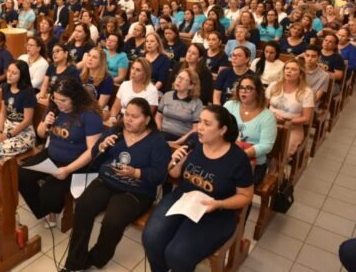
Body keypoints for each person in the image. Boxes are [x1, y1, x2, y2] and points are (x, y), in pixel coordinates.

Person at [62, 98, 171, 271]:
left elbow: (159, 176)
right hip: (106, 181)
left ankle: (96, 259)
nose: (128, 119)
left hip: (136, 190)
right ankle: (74, 263)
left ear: (147, 119)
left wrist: (135, 173)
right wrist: (102, 147)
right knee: (83, 206)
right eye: (127, 114)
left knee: (112, 222)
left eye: (135, 116)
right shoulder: (115, 131)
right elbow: (95, 156)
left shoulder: (157, 142)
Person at [142, 105, 254, 272]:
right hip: (183, 199)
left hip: (216, 211)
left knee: (177, 254)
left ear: (222, 130)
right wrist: (176, 161)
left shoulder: (237, 159)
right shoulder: (194, 141)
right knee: (151, 239)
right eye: (200, 121)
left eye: (207, 124)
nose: (200, 127)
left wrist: (219, 204)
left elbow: (246, 196)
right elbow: (174, 173)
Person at [18, 77, 103, 225]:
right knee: (22, 175)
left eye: (63, 100)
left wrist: (68, 170)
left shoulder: (89, 115)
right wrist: (45, 124)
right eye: (56, 99)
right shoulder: (54, 107)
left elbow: (92, 151)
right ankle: (44, 211)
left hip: (76, 162)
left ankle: (52, 208)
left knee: (48, 195)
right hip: (52, 154)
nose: (59, 103)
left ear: (75, 98)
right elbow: (40, 134)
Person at [224, 75, 277, 185]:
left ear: (257, 92)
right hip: (226, 155)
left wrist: (240, 155)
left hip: (253, 163)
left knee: (229, 184)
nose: (243, 91)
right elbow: (218, 127)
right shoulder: (229, 106)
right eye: (241, 87)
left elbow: (266, 146)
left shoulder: (268, 116)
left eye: (248, 88)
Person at [0, 61, 36, 156]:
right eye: (8, 71)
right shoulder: (5, 87)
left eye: (14, 73)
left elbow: (27, 120)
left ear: (22, 75)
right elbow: (3, 112)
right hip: (7, 126)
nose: (9, 75)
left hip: (23, 131)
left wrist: (7, 135)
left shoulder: (28, 92)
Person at [266, 59, 314, 156]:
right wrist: (271, 116)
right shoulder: (274, 85)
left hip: (292, 127)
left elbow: (306, 119)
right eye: (287, 68)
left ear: (300, 74)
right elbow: (263, 107)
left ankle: (278, 164)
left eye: (293, 69)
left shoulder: (306, 92)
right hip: (269, 123)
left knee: (282, 152)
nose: (289, 71)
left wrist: (286, 121)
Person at [106, 58, 159, 125]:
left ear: (145, 73)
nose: (133, 72)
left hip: (137, 123)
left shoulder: (152, 90)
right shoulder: (125, 84)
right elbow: (115, 107)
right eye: (132, 68)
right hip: (121, 119)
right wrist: (113, 117)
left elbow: (147, 116)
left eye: (138, 70)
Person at [156, 68, 203, 142]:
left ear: (191, 86)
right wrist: (157, 131)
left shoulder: (197, 103)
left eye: (183, 79)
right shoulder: (167, 95)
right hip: (162, 133)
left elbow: (195, 129)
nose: (179, 81)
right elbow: (158, 117)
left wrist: (177, 143)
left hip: (183, 138)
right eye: (178, 77)